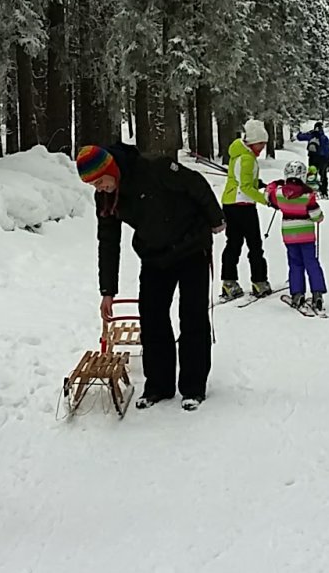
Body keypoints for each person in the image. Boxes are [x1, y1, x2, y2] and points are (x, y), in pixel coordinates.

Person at [77, 142, 225, 411]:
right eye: (93, 185)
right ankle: (159, 385)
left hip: (191, 245)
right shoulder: (106, 198)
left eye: (100, 181)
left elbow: (196, 184)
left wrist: (216, 219)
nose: (99, 188)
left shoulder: (154, 167)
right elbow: (108, 242)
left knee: (192, 315)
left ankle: (193, 387)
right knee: (152, 317)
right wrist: (107, 291)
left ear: (110, 168)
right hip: (154, 255)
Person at [218, 119, 272, 302]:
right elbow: (245, 187)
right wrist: (267, 200)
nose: (263, 147)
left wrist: (258, 183)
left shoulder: (241, 154)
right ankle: (259, 281)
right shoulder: (247, 158)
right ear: (253, 141)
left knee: (234, 244)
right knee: (254, 245)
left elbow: (242, 180)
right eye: (261, 143)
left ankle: (229, 282)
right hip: (242, 206)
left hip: (232, 204)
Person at [266, 161, 328, 312]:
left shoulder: (279, 194)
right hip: (306, 236)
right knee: (311, 263)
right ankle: (317, 293)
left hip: (289, 235)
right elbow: (316, 216)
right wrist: (320, 217)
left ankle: (297, 293)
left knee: (295, 264)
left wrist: (276, 184)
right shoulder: (308, 195)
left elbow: (268, 195)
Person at [295, 121, 329, 198]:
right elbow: (327, 151)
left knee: (312, 174)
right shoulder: (324, 138)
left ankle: (312, 191)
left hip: (312, 157)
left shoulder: (311, 135)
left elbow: (300, 137)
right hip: (323, 159)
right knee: (323, 175)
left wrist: (300, 132)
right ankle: (324, 192)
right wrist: (328, 161)